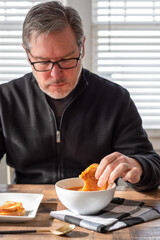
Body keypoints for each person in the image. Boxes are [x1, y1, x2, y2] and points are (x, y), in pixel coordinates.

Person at [0, 1, 160, 192]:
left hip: (97, 210)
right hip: (29, 211)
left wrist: (137, 166)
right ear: (28, 55)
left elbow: (153, 166)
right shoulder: (6, 99)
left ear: (82, 47)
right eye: (43, 62)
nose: (56, 74)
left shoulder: (115, 99)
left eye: (66, 59)